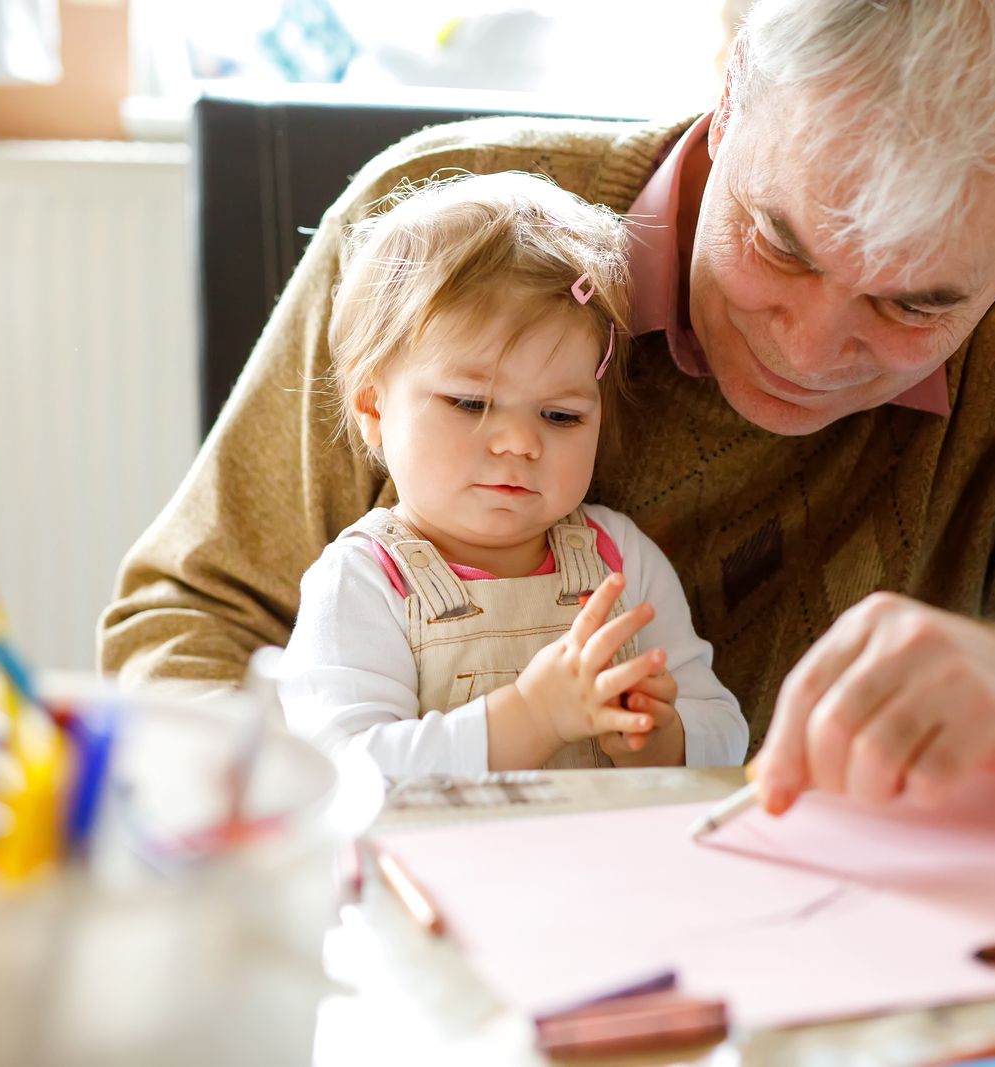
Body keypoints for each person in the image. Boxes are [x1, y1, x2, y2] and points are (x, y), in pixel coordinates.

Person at [101, 0, 995, 809]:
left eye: (912, 306)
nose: (810, 346)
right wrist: (269, 849)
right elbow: (194, 612)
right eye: (780, 244)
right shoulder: (445, 238)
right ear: (730, 91)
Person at [274, 171, 746, 775]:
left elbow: (727, 734)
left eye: (560, 415)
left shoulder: (619, 558)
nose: (521, 442)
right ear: (373, 408)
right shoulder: (364, 581)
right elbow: (344, 773)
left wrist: (665, 737)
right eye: (470, 403)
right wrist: (531, 717)